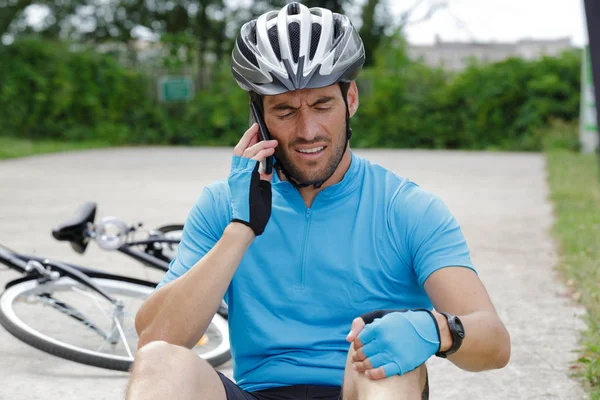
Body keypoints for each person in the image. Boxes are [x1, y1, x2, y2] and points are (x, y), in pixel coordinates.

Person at [125, 3, 511, 400]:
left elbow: (494, 343)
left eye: (323, 105)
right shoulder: (224, 204)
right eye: (285, 110)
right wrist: (241, 229)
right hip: (259, 392)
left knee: (383, 367)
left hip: (360, 388)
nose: (307, 130)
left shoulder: (408, 208)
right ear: (259, 117)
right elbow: (156, 339)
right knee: (158, 363)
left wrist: (437, 329)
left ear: (352, 100)